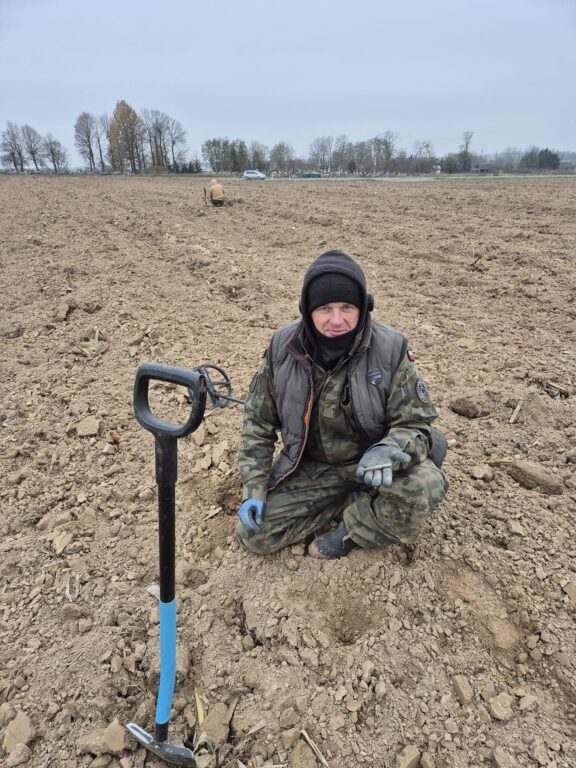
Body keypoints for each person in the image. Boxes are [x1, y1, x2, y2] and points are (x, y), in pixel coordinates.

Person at [236, 250, 448, 559]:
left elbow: (415, 424)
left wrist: (389, 448)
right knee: (254, 534)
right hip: (313, 471)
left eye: (347, 307)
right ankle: (352, 498)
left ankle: (354, 529)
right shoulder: (282, 349)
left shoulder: (390, 349)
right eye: (325, 309)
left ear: (363, 307)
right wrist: (254, 487)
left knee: (424, 486)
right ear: (307, 311)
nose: (337, 320)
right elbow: (257, 424)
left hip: (373, 465)